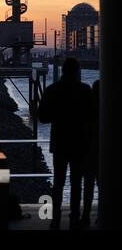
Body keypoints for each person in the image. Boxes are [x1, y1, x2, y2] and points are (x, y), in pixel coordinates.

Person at [38, 58, 93, 230]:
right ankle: (74, 218)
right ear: (77, 71)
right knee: (77, 183)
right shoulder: (85, 90)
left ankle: (55, 219)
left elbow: (42, 117)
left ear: (62, 70)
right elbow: (92, 116)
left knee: (58, 182)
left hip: (60, 143)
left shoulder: (52, 90)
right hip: (79, 143)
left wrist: (58, 115)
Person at [81, 79, 100, 228]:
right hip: (102, 154)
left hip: (87, 153)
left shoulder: (86, 111)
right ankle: (102, 213)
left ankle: (84, 214)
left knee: (87, 186)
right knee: (103, 186)